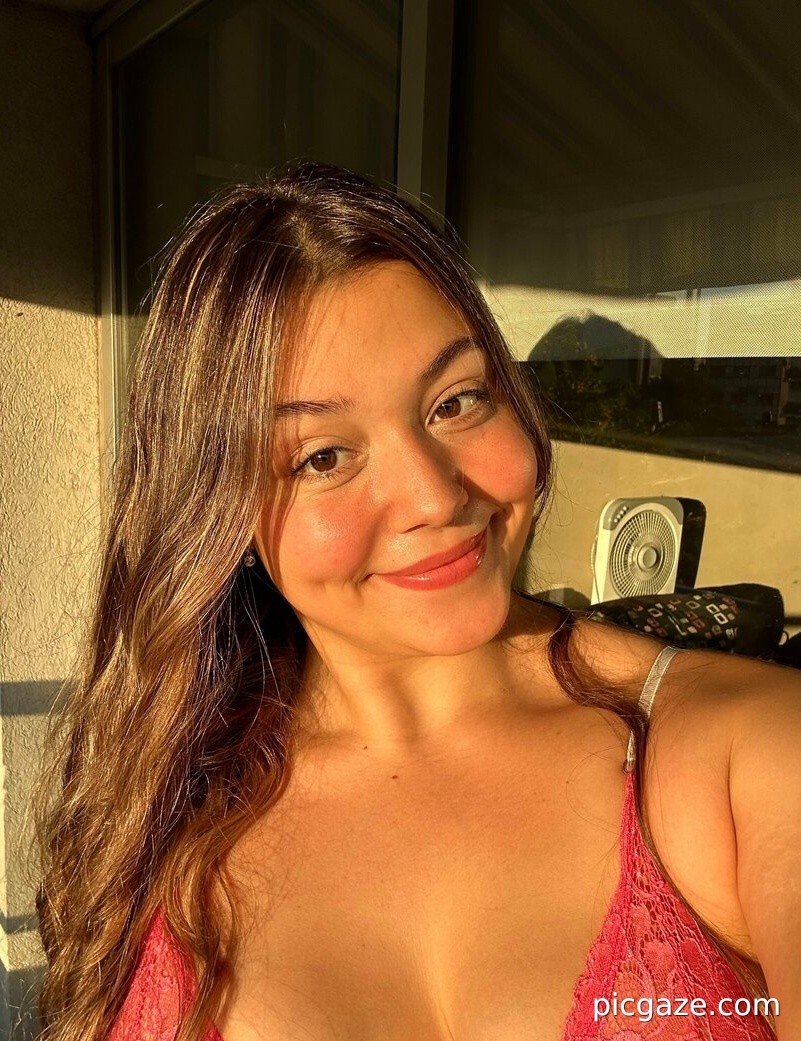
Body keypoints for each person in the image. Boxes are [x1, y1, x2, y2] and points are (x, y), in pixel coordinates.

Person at [31, 164, 799, 1041]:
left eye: (455, 402)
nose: (434, 496)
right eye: (321, 456)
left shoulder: (748, 757)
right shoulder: (156, 809)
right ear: (220, 512)